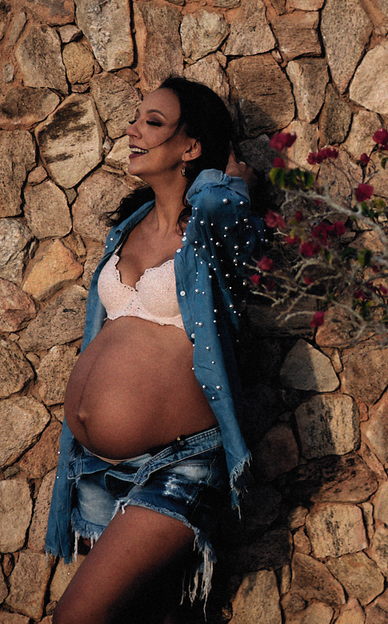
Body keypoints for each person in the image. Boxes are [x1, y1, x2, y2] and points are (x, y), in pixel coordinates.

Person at [46, 77, 263, 624]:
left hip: (178, 465)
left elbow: (230, 212)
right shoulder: (129, 226)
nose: (133, 130)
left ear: (190, 146)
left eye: (154, 122)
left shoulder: (212, 227)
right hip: (96, 467)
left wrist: (227, 180)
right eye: (137, 119)